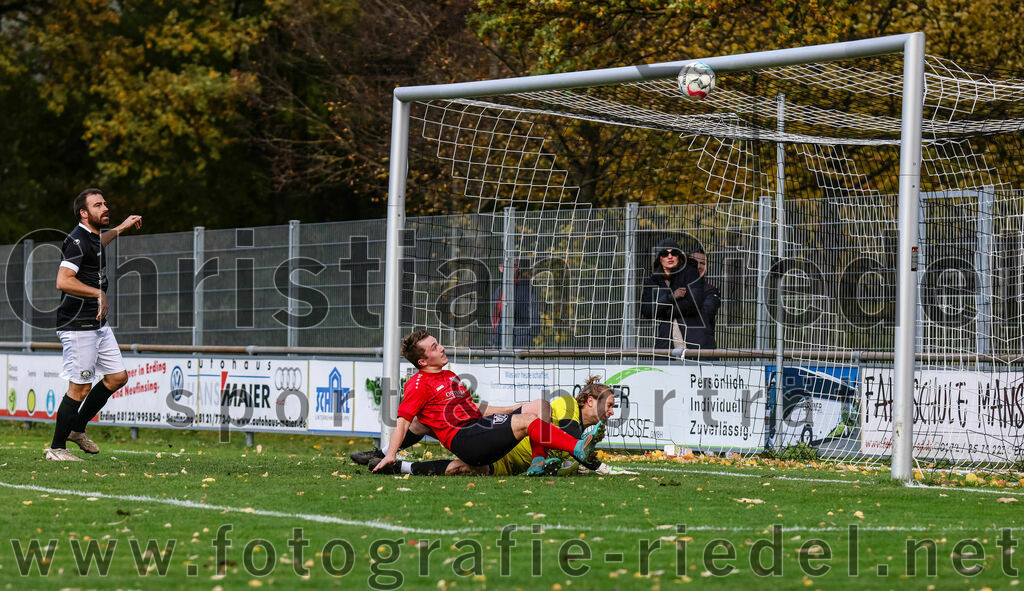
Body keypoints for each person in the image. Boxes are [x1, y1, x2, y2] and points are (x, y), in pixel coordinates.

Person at [372, 330, 600, 476]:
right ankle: (575, 448)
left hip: (478, 429)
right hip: (464, 439)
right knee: (526, 422)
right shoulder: (419, 383)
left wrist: (513, 408)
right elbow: (403, 422)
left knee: (533, 412)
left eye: (437, 343)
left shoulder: (449, 376)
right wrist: (391, 453)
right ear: (422, 361)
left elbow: (476, 410)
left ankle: (539, 461)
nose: (441, 347)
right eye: (434, 347)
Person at [369, 376, 637, 476]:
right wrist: (595, 463)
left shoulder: (584, 431)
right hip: (506, 436)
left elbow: (568, 464)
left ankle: (398, 467)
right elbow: (568, 435)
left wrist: (581, 466)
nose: (612, 412)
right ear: (589, 400)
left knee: (463, 469)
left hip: (512, 464)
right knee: (426, 423)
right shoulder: (567, 404)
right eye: (610, 404)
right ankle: (384, 453)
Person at [45, 189, 142, 461]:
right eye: (98, 205)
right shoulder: (76, 240)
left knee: (116, 378)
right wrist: (98, 293)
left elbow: (101, 242)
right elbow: (63, 281)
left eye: (105, 203)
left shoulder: (93, 238)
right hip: (77, 325)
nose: (105, 207)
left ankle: (76, 430)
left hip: (97, 323)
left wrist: (121, 227)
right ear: (83, 213)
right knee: (79, 387)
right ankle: (56, 449)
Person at [639, 238, 699, 351]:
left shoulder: (689, 277)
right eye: (665, 254)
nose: (670, 256)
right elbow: (647, 310)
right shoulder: (652, 282)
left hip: (692, 337)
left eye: (674, 253)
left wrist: (662, 308)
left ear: (679, 257)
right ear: (660, 258)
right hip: (665, 340)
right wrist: (671, 298)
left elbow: (693, 305)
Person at [491, 258, 541, 348]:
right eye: (507, 266)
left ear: (519, 268)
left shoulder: (528, 288)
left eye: (513, 266)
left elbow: (535, 315)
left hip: (521, 344)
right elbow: (494, 317)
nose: (510, 269)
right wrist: (494, 339)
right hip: (499, 343)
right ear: (501, 268)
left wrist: (528, 338)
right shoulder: (499, 290)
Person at [681, 247, 720, 350]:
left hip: (703, 353)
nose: (698, 266)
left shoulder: (711, 291)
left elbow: (707, 312)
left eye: (702, 263)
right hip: (674, 354)